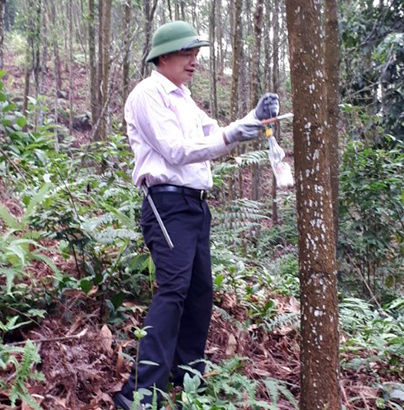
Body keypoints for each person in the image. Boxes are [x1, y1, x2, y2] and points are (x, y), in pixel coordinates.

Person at [113, 20, 279, 409]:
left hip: (194, 206)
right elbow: (177, 150)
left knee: (200, 293)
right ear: (164, 56)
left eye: (196, 54)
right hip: (167, 205)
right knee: (172, 293)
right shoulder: (148, 94)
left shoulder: (183, 96)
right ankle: (141, 393)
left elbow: (213, 131)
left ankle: (187, 378)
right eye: (188, 54)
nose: (194, 62)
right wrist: (232, 135)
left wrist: (253, 119)